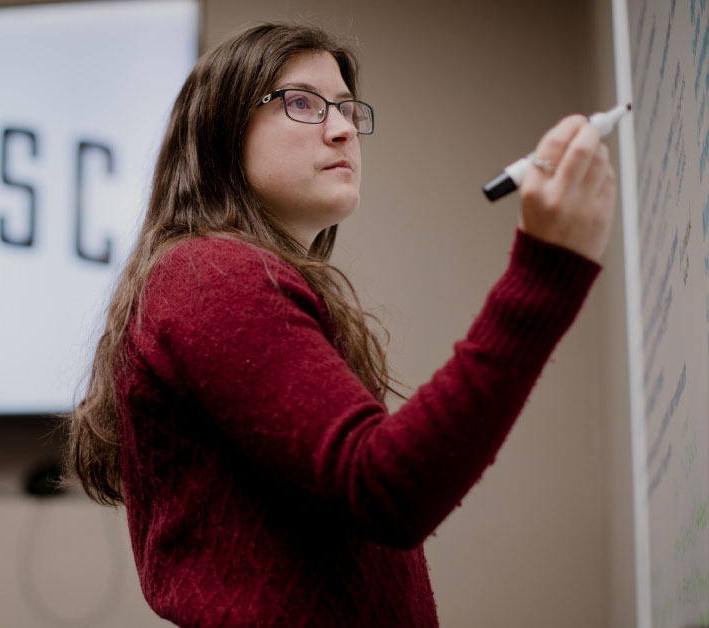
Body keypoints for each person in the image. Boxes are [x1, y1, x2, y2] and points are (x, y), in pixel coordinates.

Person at [64, 22, 615, 627]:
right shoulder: (210, 273)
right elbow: (389, 491)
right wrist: (545, 273)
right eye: (302, 103)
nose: (344, 128)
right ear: (220, 131)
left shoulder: (221, 276)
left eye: (349, 108)